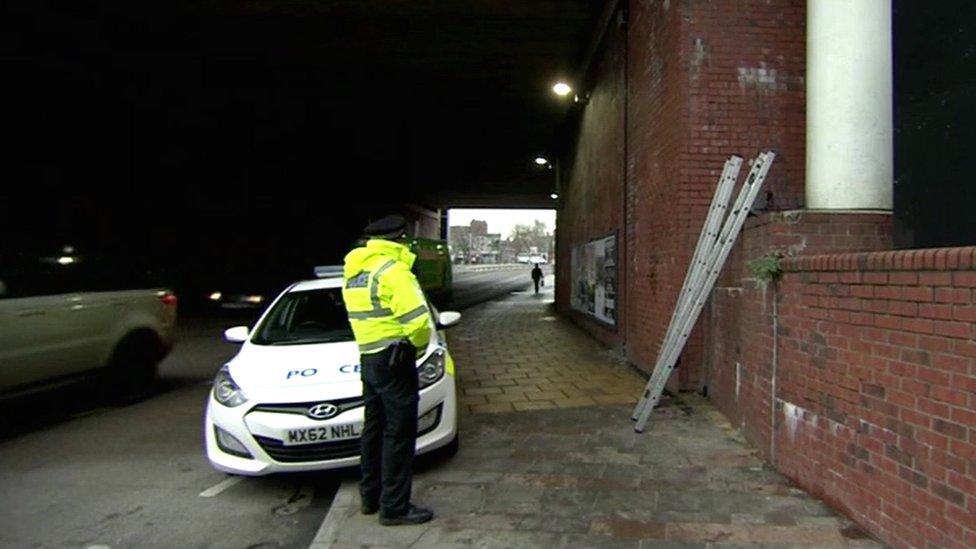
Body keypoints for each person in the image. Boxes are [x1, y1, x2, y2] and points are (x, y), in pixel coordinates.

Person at [341, 214, 434, 526]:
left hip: (369, 358)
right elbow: (419, 322)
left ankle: (370, 497)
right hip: (395, 360)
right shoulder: (394, 271)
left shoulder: (355, 270)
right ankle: (395, 507)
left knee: (373, 429)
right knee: (399, 433)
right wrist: (418, 348)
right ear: (400, 239)